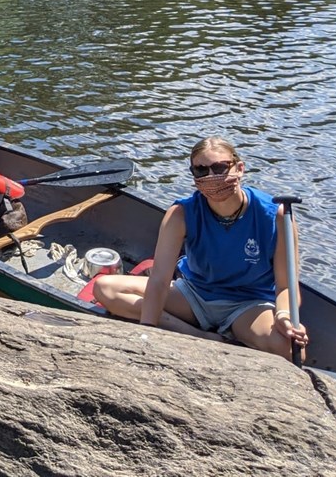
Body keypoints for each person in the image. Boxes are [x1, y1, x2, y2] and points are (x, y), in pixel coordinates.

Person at [92, 137, 309, 356]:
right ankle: (198, 336)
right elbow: (159, 280)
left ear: (239, 168)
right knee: (105, 288)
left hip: (248, 304)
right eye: (201, 171)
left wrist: (283, 316)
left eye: (220, 168)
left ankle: (231, 333)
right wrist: (148, 331)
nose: (211, 177)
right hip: (194, 295)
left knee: (292, 351)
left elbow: (286, 285)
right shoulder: (181, 214)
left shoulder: (277, 215)